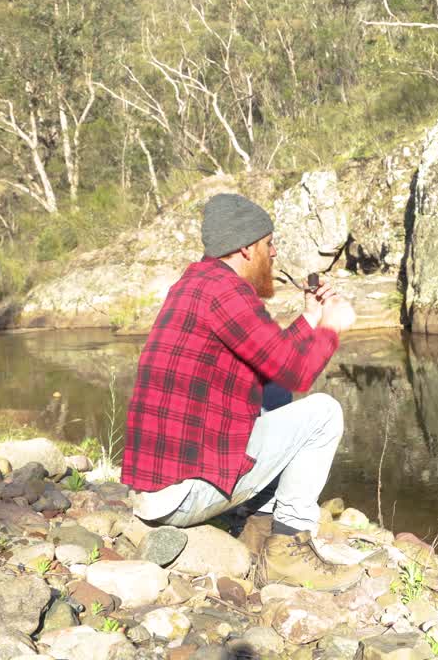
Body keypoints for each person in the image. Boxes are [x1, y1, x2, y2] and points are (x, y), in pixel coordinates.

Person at [121, 192, 362, 591]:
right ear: (247, 248)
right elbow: (299, 371)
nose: (274, 252)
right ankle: (288, 550)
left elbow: (273, 361)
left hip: (158, 491)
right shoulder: (227, 293)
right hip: (181, 500)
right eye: (269, 244)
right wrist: (332, 328)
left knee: (274, 395)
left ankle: (259, 528)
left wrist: (309, 317)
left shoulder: (198, 284)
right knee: (324, 412)